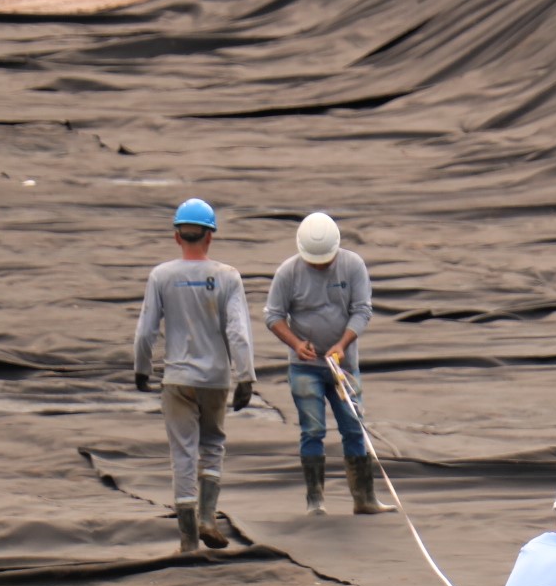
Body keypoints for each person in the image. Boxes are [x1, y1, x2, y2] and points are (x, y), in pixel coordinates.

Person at [133, 198, 256, 554]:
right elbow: (238, 331)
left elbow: (145, 331)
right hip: (215, 380)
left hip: (177, 379)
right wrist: (245, 376)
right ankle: (207, 517)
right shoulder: (228, 277)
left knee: (182, 453)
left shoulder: (161, 276)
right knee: (213, 445)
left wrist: (142, 368)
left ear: (176, 236)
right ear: (210, 237)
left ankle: (188, 540)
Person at [263, 211, 394, 516]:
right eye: (314, 261)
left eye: (324, 260)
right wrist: (296, 343)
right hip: (304, 367)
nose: (319, 265)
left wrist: (341, 345)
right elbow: (273, 316)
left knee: (353, 427)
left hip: (343, 367)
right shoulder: (288, 273)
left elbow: (362, 310)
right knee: (313, 430)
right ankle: (315, 500)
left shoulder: (352, 266)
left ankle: (364, 498)